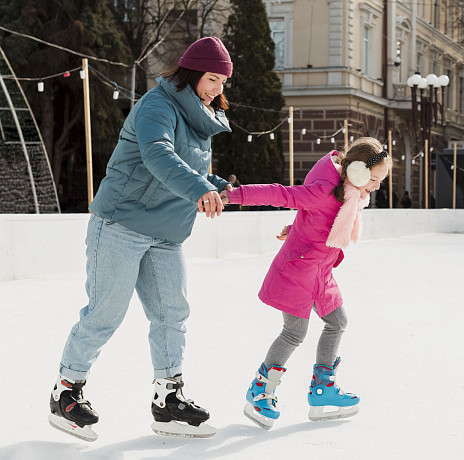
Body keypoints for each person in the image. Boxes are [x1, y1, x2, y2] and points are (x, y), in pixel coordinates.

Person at [49, 36, 234, 441]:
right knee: (106, 311)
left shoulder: (200, 117)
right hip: (121, 223)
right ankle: (66, 392)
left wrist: (222, 187)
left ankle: (168, 401)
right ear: (190, 73)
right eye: (212, 78)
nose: (218, 88)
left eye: (223, 81)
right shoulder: (158, 105)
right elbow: (158, 155)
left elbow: (190, 170)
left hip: (166, 233)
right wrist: (200, 190)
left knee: (173, 313)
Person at [221, 137, 392, 429]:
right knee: (294, 333)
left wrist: (299, 229)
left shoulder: (350, 194)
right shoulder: (324, 191)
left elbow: (319, 221)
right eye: (374, 180)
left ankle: (322, 389)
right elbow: (280, 194)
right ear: (358, 172)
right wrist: (232, 196)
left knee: (337, 321)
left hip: (320, 269)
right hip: (299, 270)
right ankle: (260, 390)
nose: (376, 187)